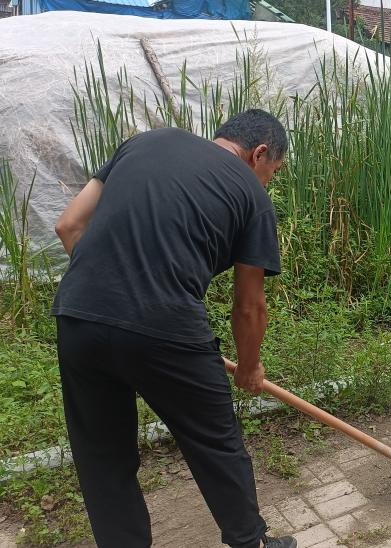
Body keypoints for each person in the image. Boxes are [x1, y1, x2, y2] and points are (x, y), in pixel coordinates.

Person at [52, 110, 296, 548]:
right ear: (260, 153)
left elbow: (68, 225)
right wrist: (249, 365)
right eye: (272, 172)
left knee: (104, 458)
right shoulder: (251, 195)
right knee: (215, 442)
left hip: (77, 315)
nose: (268, 183)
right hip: (166, 324)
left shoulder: (146, 141)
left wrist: (110, 294)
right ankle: (250, 543)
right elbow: (249, 305)